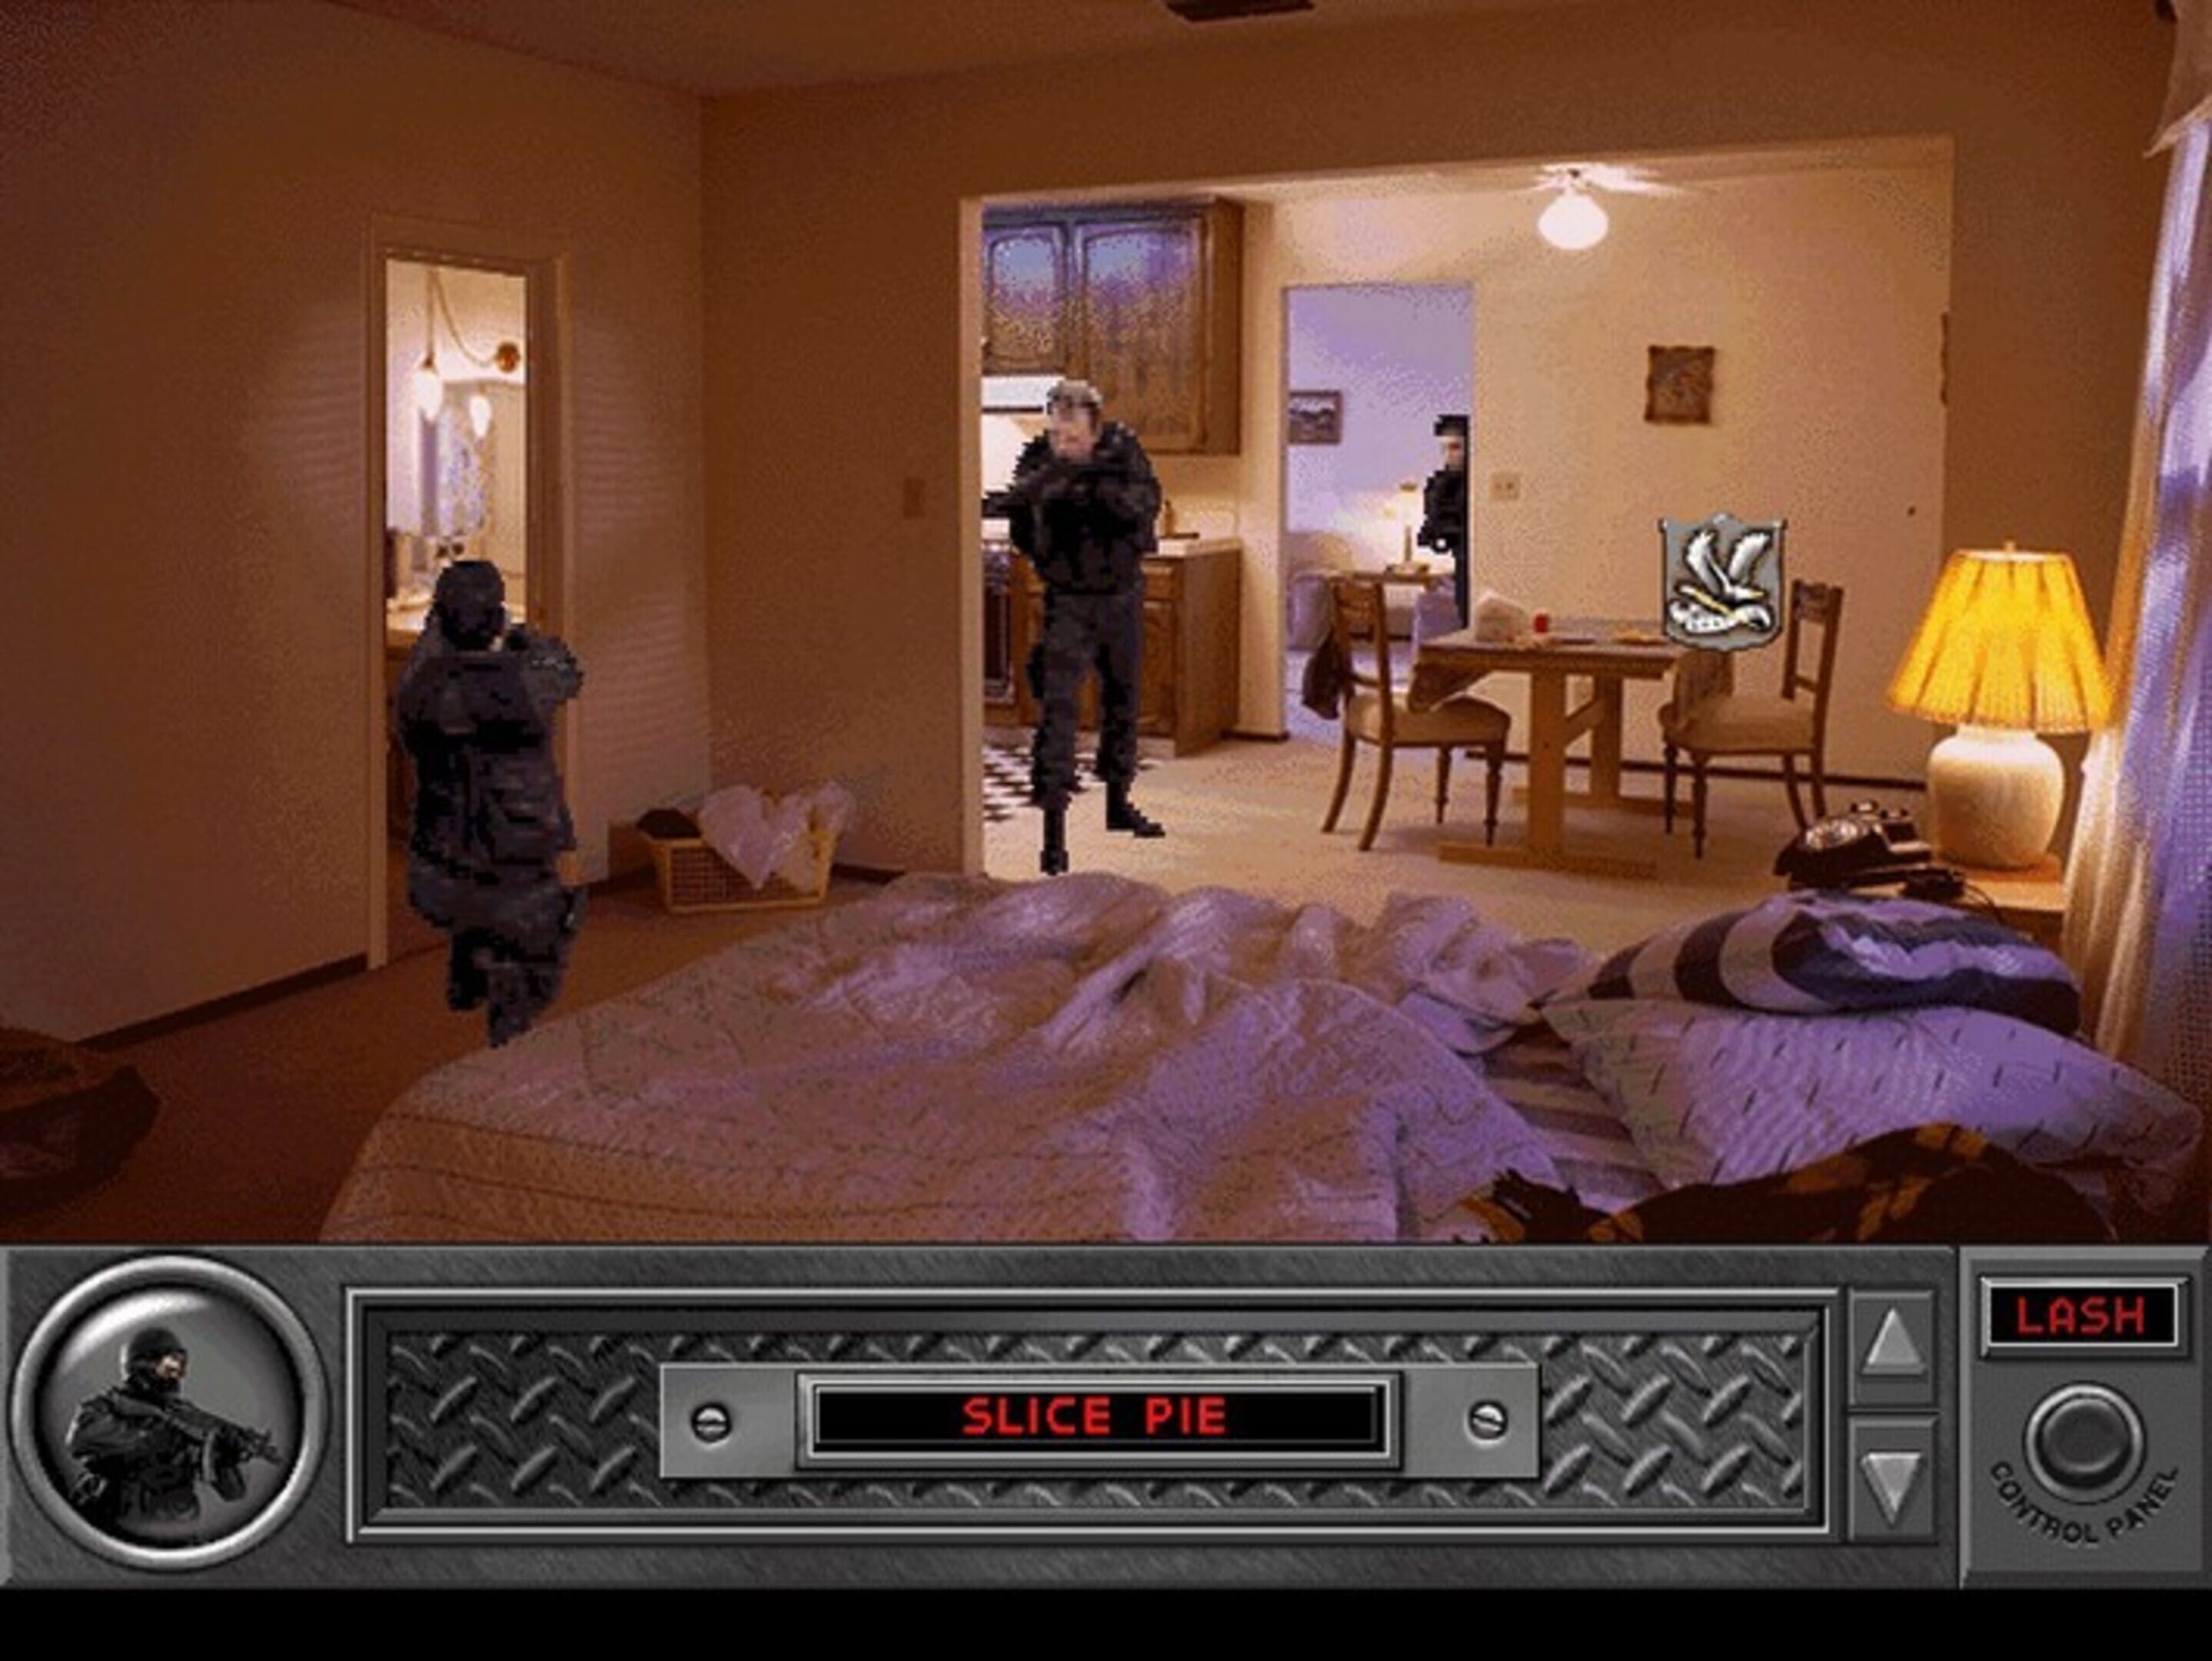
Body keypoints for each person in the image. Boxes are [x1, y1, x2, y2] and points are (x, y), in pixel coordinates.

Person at [394, 560, 587, 1045]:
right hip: (517, 866)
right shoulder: (525, 681)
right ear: (496, 615)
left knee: (478, 907)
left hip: (438, 867)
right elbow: (570, 672)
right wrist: (523, 636)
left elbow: (409, 707)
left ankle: (472, 953)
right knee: (545, 939)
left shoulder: (424, 687)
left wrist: (437, 633)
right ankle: (507, 1014)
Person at [1004, 380, 1166, 875]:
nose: (1063, 443)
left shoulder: (1124, 454)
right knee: (1058, 712)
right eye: (1057, 434)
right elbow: (1020, 521)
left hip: (1121, 595)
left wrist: (1089, 487)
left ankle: (1118, 803)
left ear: (1094, 431)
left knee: (1123, 702)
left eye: (1072, 436)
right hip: (1067, 598)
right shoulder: (1039, 459)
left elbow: (1143, 509)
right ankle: (1053, 838)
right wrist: (1053, 499)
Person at [64, 1326, 261, 1535]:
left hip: (174, 1529)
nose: (177, 1374)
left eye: (180, 1365)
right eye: (169, 1366)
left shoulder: (187, 1416)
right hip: (116, 1521)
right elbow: (81, 1441)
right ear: (143, 1366)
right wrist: (160, 1435)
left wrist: (225, 1457)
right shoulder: (107, 1406)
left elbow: (233, 1493)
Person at [1419, 413, 1472, 627]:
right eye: (1444, 449)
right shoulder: (1440, 483)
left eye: (1455, 447)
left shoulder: (1475, 481)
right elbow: (1432, 527)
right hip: (1460, 558)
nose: (1449, 455)